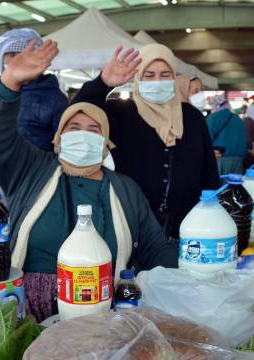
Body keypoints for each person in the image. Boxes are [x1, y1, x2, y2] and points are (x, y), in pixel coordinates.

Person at [0, 40, 178, 322]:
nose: (83, 134)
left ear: (105, 143)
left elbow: (154, 247)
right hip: (24, 311)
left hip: (99, 312)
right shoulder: (30, 169)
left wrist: (190, 278)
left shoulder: (124, 189)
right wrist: (10, 82)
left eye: (93, 129)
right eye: (73, 128)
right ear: (59, 138)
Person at [71, 44, 219, 241]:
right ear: (137, 77)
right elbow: (77, 113)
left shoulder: (192, 116)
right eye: (149, 75)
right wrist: (103, 83)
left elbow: (208, 172)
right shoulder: (120, 112)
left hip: (188, 229)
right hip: (133, 228)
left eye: (165, 74)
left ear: (174, 77)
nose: (157, 81)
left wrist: (211, 216)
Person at [0, 28, 68, 157]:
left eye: (24, 55)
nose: (18, 62)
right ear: (2, 61)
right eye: (12, 55)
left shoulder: (55, 98)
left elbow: (64, 147)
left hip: (37, 174)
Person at [205, 93, 248, 175]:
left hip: (219, 161)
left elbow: (205, 140)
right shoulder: (239, 119)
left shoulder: (213, 118)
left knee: (220, 187)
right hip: (238, 162)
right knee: (235, 187)